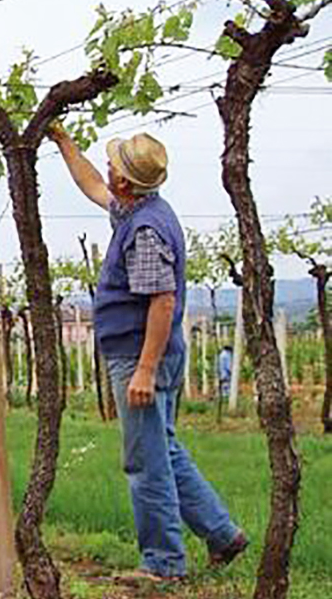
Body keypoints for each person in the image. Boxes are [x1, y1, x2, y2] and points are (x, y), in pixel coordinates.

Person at [48, 125, 248, 581]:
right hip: (150, 354)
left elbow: (162, 302)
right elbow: (92, 185)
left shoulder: (144, 232)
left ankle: (163, 564)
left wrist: (143, 370)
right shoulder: (141, 207)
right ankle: (221, 534)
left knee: (145, 461)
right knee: (166, 448)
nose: (109, 165)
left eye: (115, 163)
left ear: (126, 183)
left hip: (142, 356)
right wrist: (64, 143)